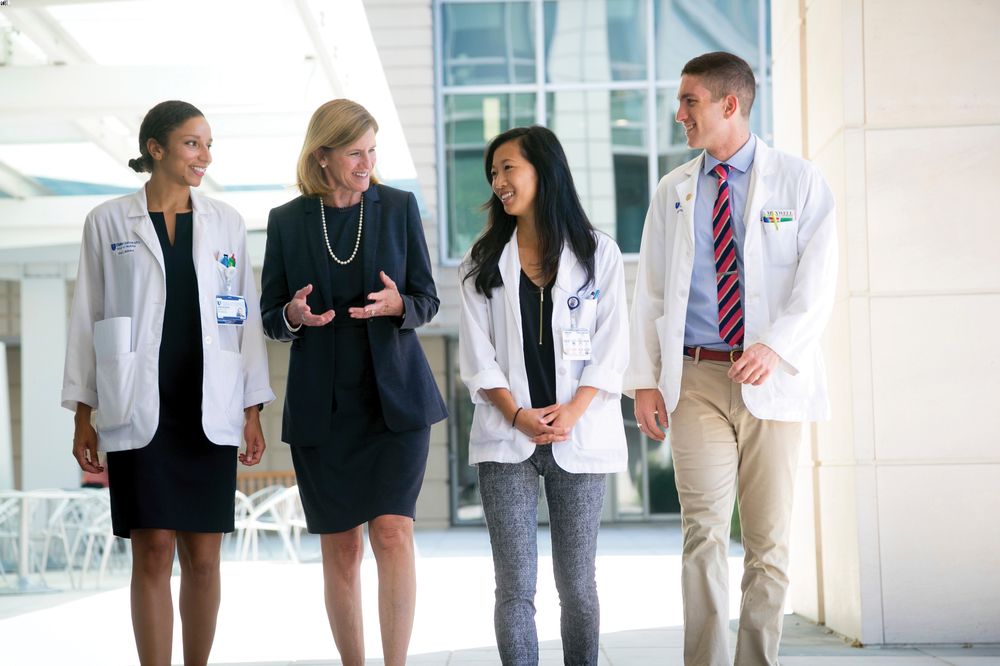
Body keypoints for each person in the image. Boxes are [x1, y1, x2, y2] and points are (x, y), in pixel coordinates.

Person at [626, 52, 838, 666]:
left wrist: (775, 346)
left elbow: (818, 283)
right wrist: (645, 382)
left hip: (770, 377)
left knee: (768, 543)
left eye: (689, 101)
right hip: (694, 378)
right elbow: (651, 292)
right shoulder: (673, 190)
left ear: (729, 104)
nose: (679, 114)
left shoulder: (798, 182)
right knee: (703, 533)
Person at [62, 100, 275, 666]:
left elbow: (243, 316)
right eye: (192, 144)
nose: (205, 156)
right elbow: (88, 317)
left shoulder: (227, 222)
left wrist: (253, 406)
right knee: (152, 550)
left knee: (204, 556)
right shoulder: (108, 221)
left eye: (208, 145)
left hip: (209, 402)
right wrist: (82, 412)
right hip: (138, 402)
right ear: (156, 149)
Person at [260, 99, 447, 666]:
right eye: (354, 153)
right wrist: (293, 315)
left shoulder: (399, 207)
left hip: (395, 403)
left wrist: (398, 305)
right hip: (323, 409)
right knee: (341, 547)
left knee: (392, 532)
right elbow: (270, 316)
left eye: (371, 151)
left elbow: (427, 298)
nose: (367, 163)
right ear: (322, 156)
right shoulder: (286, 221)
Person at [458, 125, 629, 665]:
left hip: (578, 434)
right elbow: (477, 355)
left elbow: (612, 344)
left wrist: (574, 411)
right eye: (493, 172)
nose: (498, 181)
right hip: (507, 437)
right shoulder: (483, 259)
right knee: (514, 585)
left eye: (508, 167)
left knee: (577, 583)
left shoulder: (598, 253)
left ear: (544, 170)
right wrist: (517, 415)